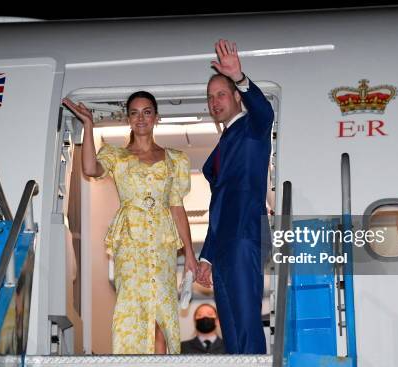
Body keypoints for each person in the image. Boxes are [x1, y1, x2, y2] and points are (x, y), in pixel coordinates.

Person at [62, 92, 198, 354]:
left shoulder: (175, 159)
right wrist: (89, 125)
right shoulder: (116, 155)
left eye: (147, 112)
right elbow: (90, 169)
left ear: (156, 117)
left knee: (162, 314)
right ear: (128, 119)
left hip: (162, 244)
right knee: (134, 310)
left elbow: (177, 207)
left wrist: (190, 254)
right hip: (131, 243)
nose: (141, 118)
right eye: (135, 112)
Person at [195, 39, 274, 354]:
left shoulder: (251, 130)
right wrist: (206, 256)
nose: (215, 102)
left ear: (237, 98)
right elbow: (218, 206)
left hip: (243, 237)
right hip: (224, 245)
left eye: (222, 94)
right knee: (230, 328)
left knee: (246, 323)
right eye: (210, 97)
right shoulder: (224, 142)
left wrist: (241, 77)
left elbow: (265, 112)